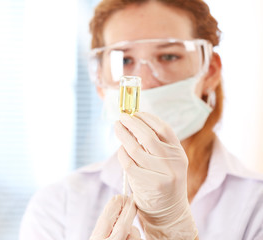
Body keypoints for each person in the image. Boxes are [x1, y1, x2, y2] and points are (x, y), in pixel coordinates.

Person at [19, 0, 263, 239]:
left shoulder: (256, 205)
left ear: (210, 72)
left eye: (168, 57)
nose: (144, 82)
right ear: (100, 83)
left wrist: (176, 233)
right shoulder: (57, 206)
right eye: (124, 61)